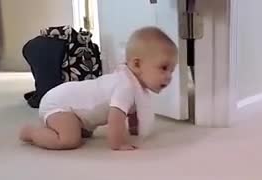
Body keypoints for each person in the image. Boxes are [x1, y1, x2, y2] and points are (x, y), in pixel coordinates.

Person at [19, 26, 178, 150]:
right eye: (163, 68)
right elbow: (116, 118)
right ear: (137, 64)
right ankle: (31, 133)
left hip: (73, 108)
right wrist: (119, 143)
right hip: (59, 104)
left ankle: (69, 125)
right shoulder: (125, 86)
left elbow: (133, 112)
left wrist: (135, 129)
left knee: (84, 134)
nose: (169, 76)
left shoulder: (135, 85)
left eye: (171, 70)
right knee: (69, 140)